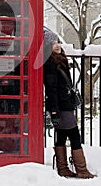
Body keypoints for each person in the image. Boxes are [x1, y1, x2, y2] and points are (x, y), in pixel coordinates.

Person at [43, 31, 96, 179]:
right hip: (61, 107)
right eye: (53, 43)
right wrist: (54, 111)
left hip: (64, 105)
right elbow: (51, 90)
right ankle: (82, 169)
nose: (58, 45)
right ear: (48, 46)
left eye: (58, 42)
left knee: (61, 135)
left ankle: (63, 168)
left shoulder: (60, 61)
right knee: (74, 135)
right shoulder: (50, 64)